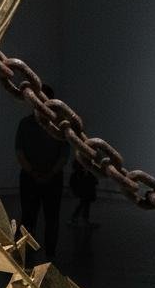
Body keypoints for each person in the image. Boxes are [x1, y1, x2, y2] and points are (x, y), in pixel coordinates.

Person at [15, 84, 69, 259]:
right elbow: (20, 151)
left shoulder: (57, 127)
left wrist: (39, 173)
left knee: (43, 219)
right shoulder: (27, 124)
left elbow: (63, 155)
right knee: (32, 218)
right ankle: (33, 254)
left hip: (40, 178)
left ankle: (41, 255)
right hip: (41, 178)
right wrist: (43, 173)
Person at [68, 161, 99, 229]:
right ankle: (81, 219)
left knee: (83, 204)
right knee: (84, 204)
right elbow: (94, 181)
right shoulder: (83, 172)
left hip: (85, 190)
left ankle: (77, 218)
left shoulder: (81, 172)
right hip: (85, 190)